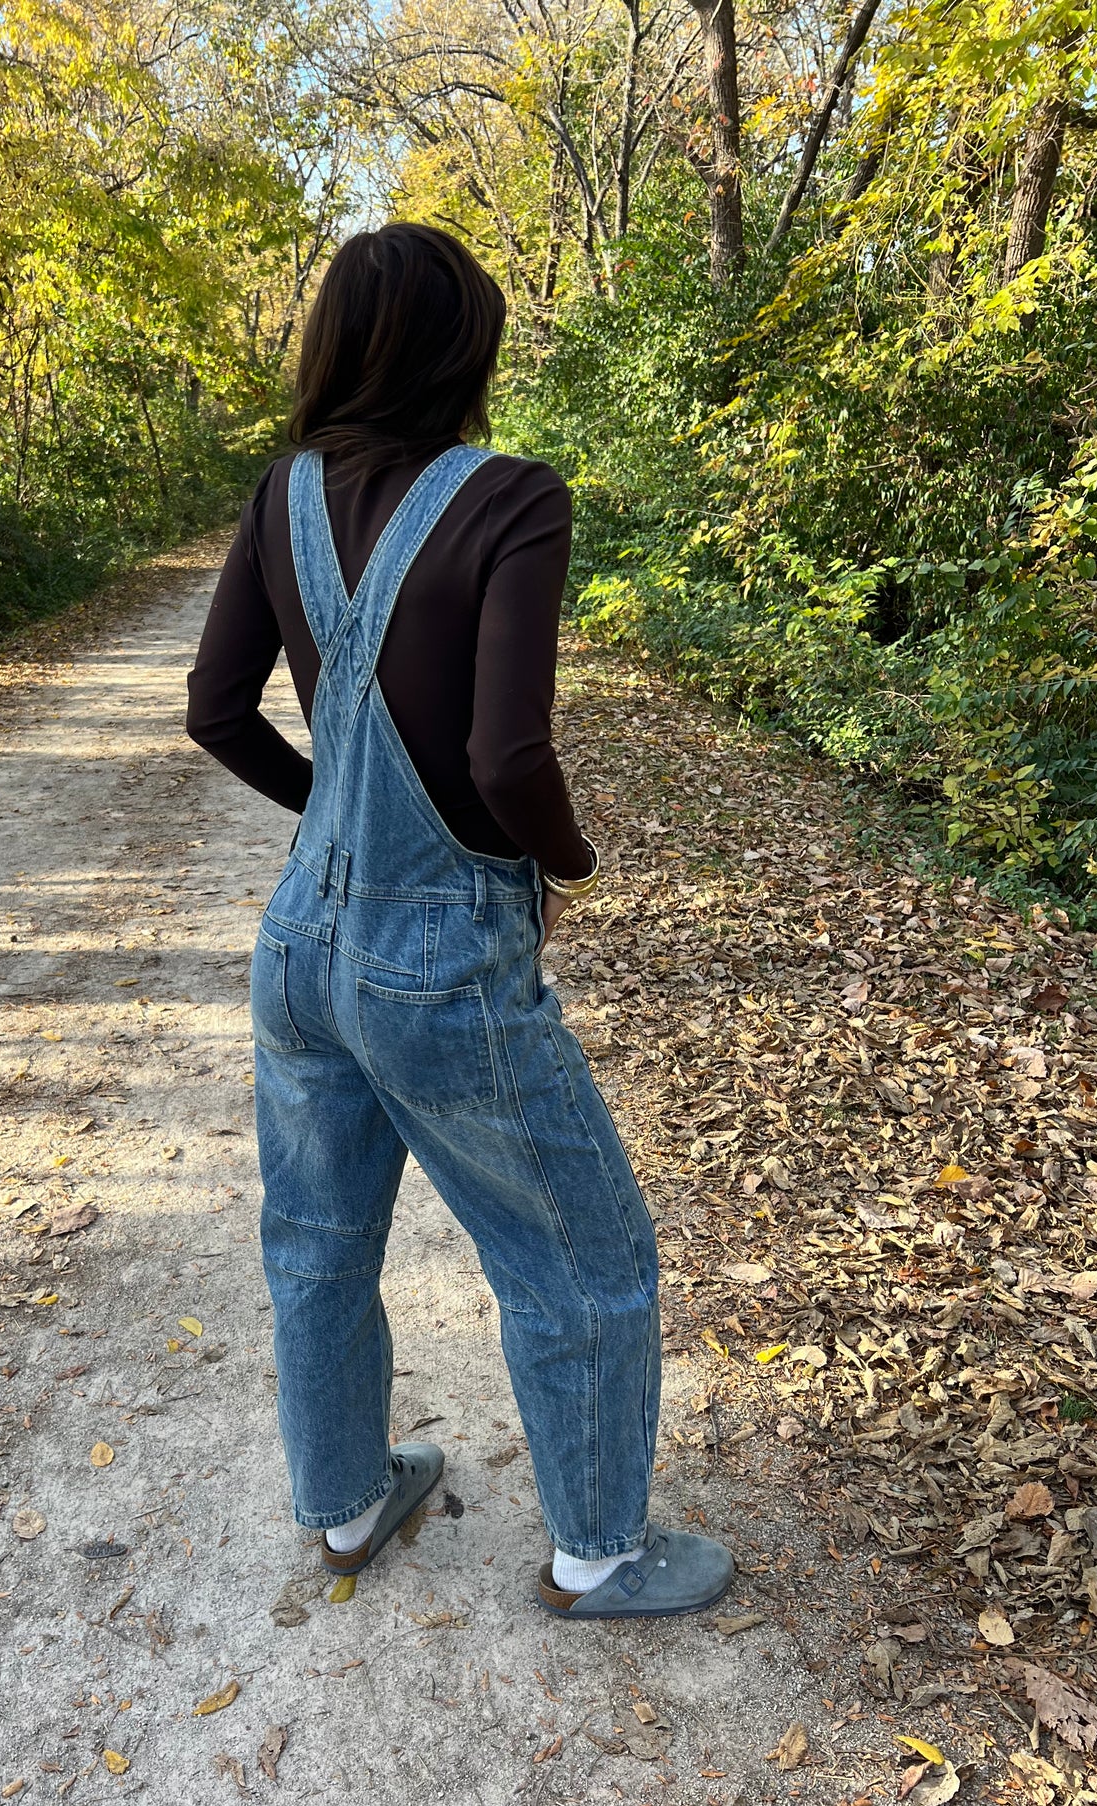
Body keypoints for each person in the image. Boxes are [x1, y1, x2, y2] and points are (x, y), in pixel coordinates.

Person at [186, 222, 733, 1618]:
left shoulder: (279, 494)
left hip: (299, 942)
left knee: (312, 1240)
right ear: (465, 346)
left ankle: (349, 1503)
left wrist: (328, 815)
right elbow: (504, 760)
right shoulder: (510, 498)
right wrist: (566, 867)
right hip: (435, 955)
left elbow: (211, 710)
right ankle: (600, 1554)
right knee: (582, 1256)